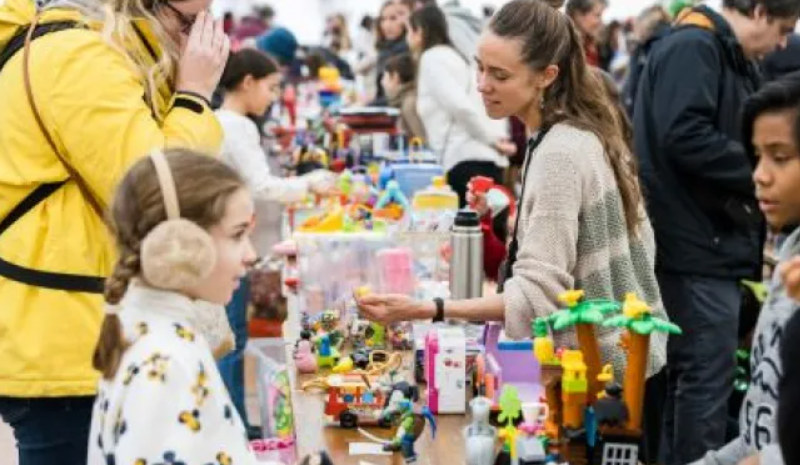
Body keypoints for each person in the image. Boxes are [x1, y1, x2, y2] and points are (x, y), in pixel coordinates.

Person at [356, 0, 668, 390]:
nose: (482, 85)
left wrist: (425, 309)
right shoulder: (576, 134)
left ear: (546, 76)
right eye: (480, 67)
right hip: (619, 363)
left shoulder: (560, 152)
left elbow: (536, 294)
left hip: (596, 379)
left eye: (500, 75)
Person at [0, 0, 228, 463]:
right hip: (71, 346)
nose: (197, 41)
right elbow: (160, 194)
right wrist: (194, 95)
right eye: (189, 24)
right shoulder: (78, 54)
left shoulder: (105, 49)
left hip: (92, 334)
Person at [632, 1, 799, 462]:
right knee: (703, 389)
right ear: (761, 11)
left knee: (686, 391)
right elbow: (682, 133)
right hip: (698, 248)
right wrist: (765, 169)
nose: (784, 42)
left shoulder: (705, 46)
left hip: (699, 244)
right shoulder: (696, 46)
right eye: (783, 29)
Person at [86, 149, 264, 464]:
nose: (251, 254)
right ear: (180, 243)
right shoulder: (165, 364)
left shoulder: (154, 329)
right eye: (238, 235)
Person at [215, 47, 336, 432]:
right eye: (270, 87)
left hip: (220, 233)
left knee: (230, 333)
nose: (272, 96)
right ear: (247, 82)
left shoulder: (223, 120)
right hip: (224, 239)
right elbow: (262, 184)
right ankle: (234, 422)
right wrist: (312, 182)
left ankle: (231, 418)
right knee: (232, 336)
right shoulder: (237, 124)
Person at [690, 73, 800, 465]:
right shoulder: (790, 250)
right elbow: (759, 423)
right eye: (758, 156)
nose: (759, 174)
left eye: (781, 157)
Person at [408, 5, 512, 206]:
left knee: (471, 234)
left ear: (419, 32)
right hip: (480, 158)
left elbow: (460, 106)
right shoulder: (455, 57)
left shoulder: (433, 58)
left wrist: (493, 141)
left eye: (409, 31)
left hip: (465, 161)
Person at [382, 53, 426, 141]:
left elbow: (423, 141)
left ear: (395, 77)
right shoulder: (405, 100)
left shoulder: (409, 104)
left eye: (384, 77)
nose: (382, 82)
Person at [374, 0, 409, 105]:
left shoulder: (405, 51)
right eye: (383, 19)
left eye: (393, 18)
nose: (387, 25)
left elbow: (398, 95)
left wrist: (370, 105)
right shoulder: (384, 50)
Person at [566, 0, 608, 67]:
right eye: (597, 15)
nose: (600, 21)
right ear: (578, 15)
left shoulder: (590, 44)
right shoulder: (564, 47)